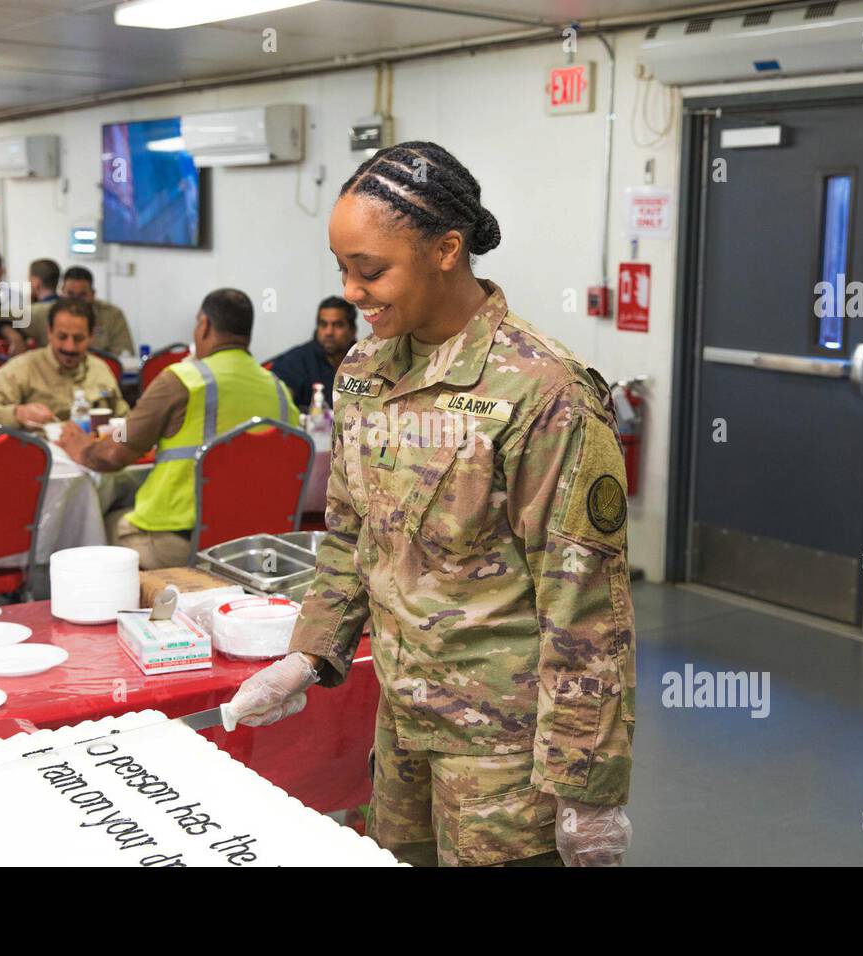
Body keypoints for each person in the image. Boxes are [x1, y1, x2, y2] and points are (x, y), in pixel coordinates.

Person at [221, 143, 636, 868]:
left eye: (371, 269)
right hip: (401, 728)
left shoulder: (543, 393)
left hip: (505, 757)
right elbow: (351, 538)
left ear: (448, 249)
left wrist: (588, 785)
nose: (351, 291)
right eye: (342, 269)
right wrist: (307, 653)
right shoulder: (364, 371)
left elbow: (586, 608)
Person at [58, 288, 297, 570]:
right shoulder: (280, 390)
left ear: (204, 325)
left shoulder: (183, 379)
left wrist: (82, 448)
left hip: (181, 545)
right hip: (254, 550)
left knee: (95, 523)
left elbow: (111, 456)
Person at [0, 297, 127, 429]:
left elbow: (124, 417)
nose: (69, 347)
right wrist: (17, 414)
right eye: (62, 337)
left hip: (94, 457)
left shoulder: (100, 369)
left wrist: (124, 442)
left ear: (91, 337)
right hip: (40, 458)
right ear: (49, 333)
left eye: (78, 339)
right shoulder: (21, 369)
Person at [15, 265, 134, 357]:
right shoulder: (43, 312)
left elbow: (124, 355)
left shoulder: (111, 315)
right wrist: (13, 336)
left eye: (82, 295)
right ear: (61, 292)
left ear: (93, 295)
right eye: (70, 294)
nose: (75, 301)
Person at [268, 296, 357, 410]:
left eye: (338, 325)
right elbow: (277, 403)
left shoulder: (366, 361)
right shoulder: (295, 361)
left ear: (352, 330)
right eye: (323, 324)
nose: (329, 332)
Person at [0, 258, 60, 354]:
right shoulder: (66, 307)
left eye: (29, 280)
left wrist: (14, 337)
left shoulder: (35, 312)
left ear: (36, 282)